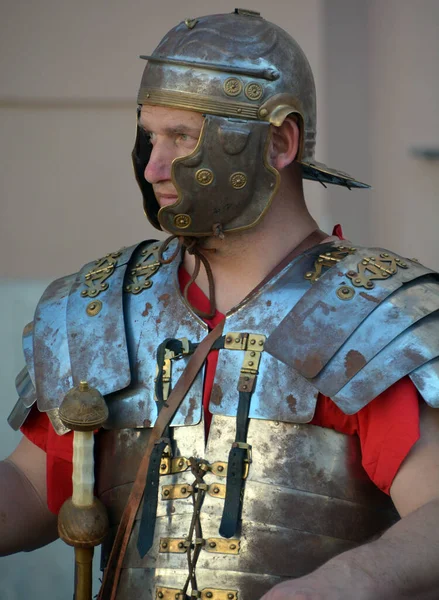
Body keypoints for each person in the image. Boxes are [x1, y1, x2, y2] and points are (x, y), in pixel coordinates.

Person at [2, 9, 439, 600]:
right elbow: (33, 489)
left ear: (280, 142)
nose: (155, 166)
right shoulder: (99, 307)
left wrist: (342, 584)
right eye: (149, 136)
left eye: (182, 137)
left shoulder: (370, 313)